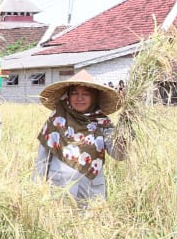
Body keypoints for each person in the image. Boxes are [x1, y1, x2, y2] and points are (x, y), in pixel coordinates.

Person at [33, 69, 128, 206]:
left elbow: (119, 155)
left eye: (85, 94)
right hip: (59, 190)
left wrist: (125, 129)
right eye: (75, 93)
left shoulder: (102, 123)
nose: (79, 98)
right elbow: (42, 160)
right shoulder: (57, 120)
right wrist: (37, 190)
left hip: (91, 193)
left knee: (91, 225)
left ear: (94, 97)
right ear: (68, 96)